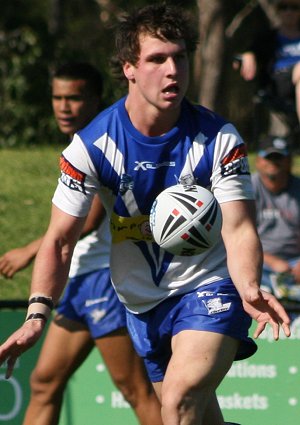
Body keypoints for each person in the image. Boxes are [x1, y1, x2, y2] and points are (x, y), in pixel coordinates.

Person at [0, 5, 291, 425]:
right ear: (129, 68)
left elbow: (240, 227)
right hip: (141, 304)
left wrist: (248, 286)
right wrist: (35, 314)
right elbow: (60, 240)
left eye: (180, 57)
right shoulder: (91, 147)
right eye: (157, 59)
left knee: (177, 402)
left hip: (210, 287)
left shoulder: (219, 138)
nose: (172, 69)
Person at [0, 62, 162, 425]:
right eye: (58, 98)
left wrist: (30, 251)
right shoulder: (79, 143)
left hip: (106, 277)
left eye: (74, 98)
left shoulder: (105, 140)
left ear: (95, 99)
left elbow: (90, 216)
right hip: (79, 279)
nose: (64, 106)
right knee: (44, 382)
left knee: (136, 389)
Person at [234, 0, 300, 136]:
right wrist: (249, 54)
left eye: (294, 7)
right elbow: (247, 53)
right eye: (284, 7)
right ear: (278, 11)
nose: (289, 12)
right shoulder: (268, 37)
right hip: (278, 83)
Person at [252, 134, 300, 301]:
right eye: (269, 158)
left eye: (279, 158)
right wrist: (272, 261)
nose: (274, 163)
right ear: (258, 160)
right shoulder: (247, 189)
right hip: (259, 260)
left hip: (294, 263)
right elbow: (237, 234)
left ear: (289, 161)